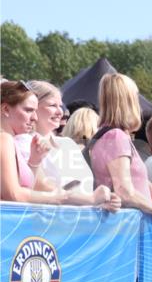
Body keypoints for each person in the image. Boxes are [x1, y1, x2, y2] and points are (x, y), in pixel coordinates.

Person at [88, 73, 152, 242]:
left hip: (125, 229)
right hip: (124, 233)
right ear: (129, 101)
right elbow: (125, 191)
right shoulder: (116, 136)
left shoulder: (112, 135)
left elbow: (139, 180)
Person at [0, 80, 119, 209]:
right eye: (28, 110)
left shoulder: (12, 141)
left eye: (34, 111)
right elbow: (13, 195)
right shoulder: (4, 139)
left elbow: (30, 187)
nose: (34, 118)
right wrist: (87, 199)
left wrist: (34, 162)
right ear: (5, 109)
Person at [15, 80, 94, 193]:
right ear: (33, 106)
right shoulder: (23, 143)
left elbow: (86, 185)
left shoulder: (68, 143)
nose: (60, 112)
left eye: (60, 106)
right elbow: (39, 186)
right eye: (52, 105)